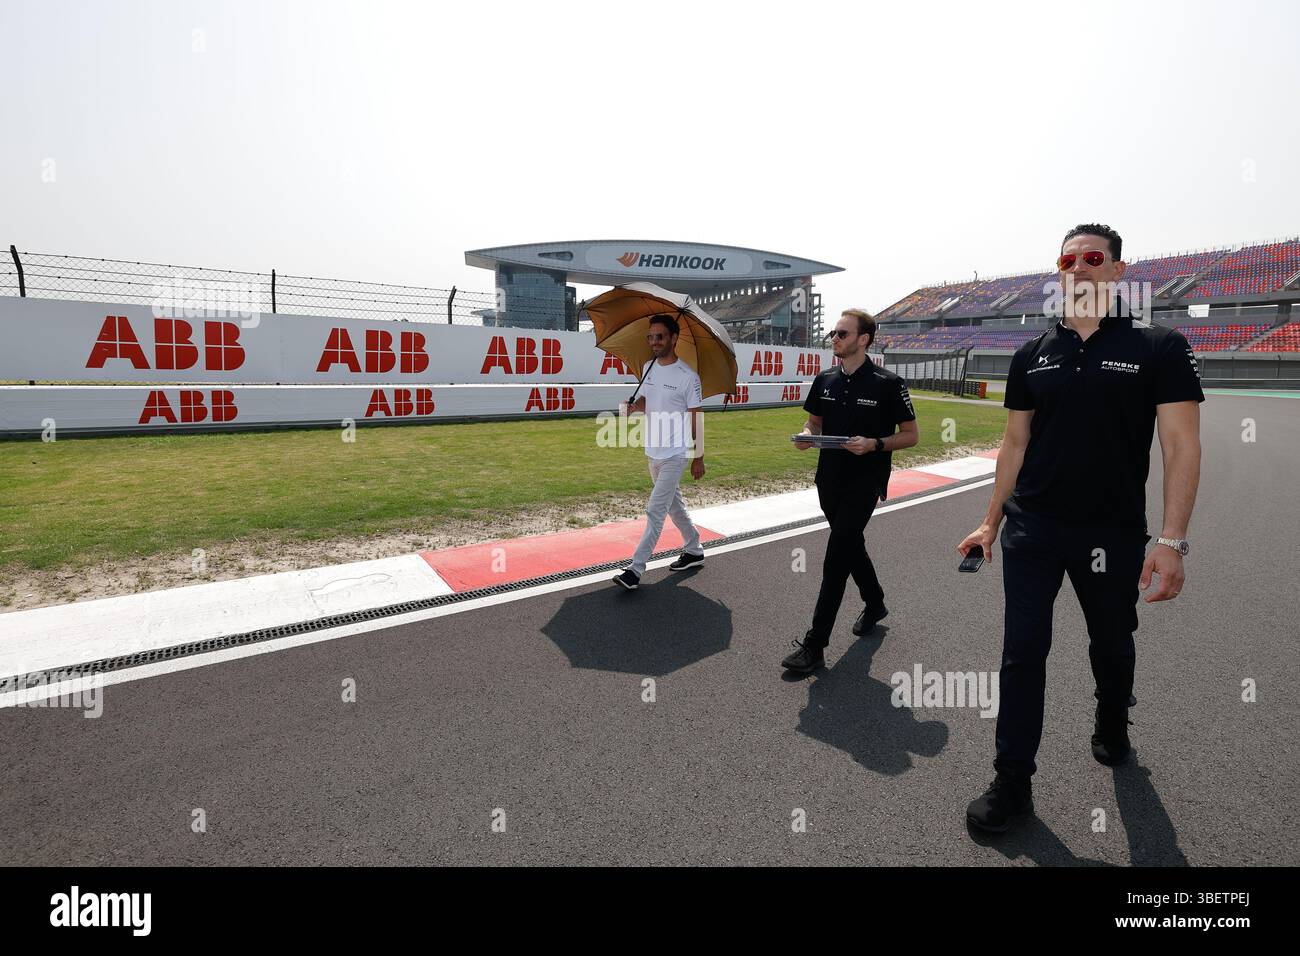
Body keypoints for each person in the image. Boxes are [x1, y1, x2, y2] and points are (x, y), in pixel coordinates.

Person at [958, 223, 1204, 833]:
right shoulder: (1032, 352)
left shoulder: (1159, 345)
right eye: (1068, 259)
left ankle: (1113, 716)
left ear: (1118, 270)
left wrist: (1171, 543)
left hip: (1112, 533)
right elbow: (1014, 444)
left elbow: (1181, 445)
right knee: (1021, 654)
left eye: (1093, 258)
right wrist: (990, 522)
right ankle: (1012, 781)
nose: (1079, 268)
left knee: (1112, 644)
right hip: (1033, 529)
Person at [781, 308, 919, 674]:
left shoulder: (888, 383)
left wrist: (874, 444)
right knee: (850, 545)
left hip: (865, 482)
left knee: (836, 557)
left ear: (864, 339)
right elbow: (813, 423)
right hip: (828, 480)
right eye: (833, 333)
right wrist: (806, 438)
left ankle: (815, 644)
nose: (834, 338)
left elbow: (911, 435)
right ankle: (875, 602)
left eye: (842, 333)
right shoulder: (824, 379)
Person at [612, 314, 706, 590]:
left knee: (655, 510)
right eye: (650, 337)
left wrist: (698, 456)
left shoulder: (689, 377)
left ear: (673, 338)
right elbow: (647, 402)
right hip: (652, 451)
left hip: (675, 454)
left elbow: (695, 418)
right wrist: (631, 407)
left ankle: (635, 569)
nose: (654, 341)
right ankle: (694, 548)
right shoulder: (648, 367)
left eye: (660, 336)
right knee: (674, 507)